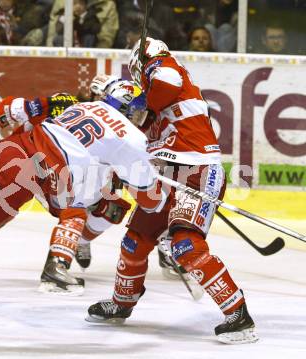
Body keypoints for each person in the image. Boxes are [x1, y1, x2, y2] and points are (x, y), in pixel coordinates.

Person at [0, 81, 166, 300]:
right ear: (128, 110)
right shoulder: (131, 138)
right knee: (75, 209)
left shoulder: (80, 106)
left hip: (14, 152)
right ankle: (57, 268)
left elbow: (14, 109)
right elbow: (149, 197)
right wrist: (159, 198)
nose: (141, 120)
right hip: (47, 168)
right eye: (139, 113)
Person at [86, 37, 258, 345]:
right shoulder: (147, 108)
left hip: (197, 172)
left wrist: (138, 77)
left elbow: (165, 79)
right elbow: (132, 131)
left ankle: (237, 313)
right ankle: (122, 303)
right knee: (134, 241)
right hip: (167, 177)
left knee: (186, 246)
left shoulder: (165, 68)